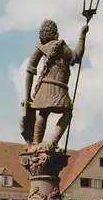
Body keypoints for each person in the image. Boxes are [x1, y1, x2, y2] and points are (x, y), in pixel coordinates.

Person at [21, 19, 89, 147]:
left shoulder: (41, 48)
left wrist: (27, 95)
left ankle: (36, 143)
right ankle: (52, 143)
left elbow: (30, 70)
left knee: (43, 113)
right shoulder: (61, 47)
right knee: (67, 113)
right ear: (55, 33)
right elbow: (77, 56)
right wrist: (82, 35)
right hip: (59, 88)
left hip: (45, 87)